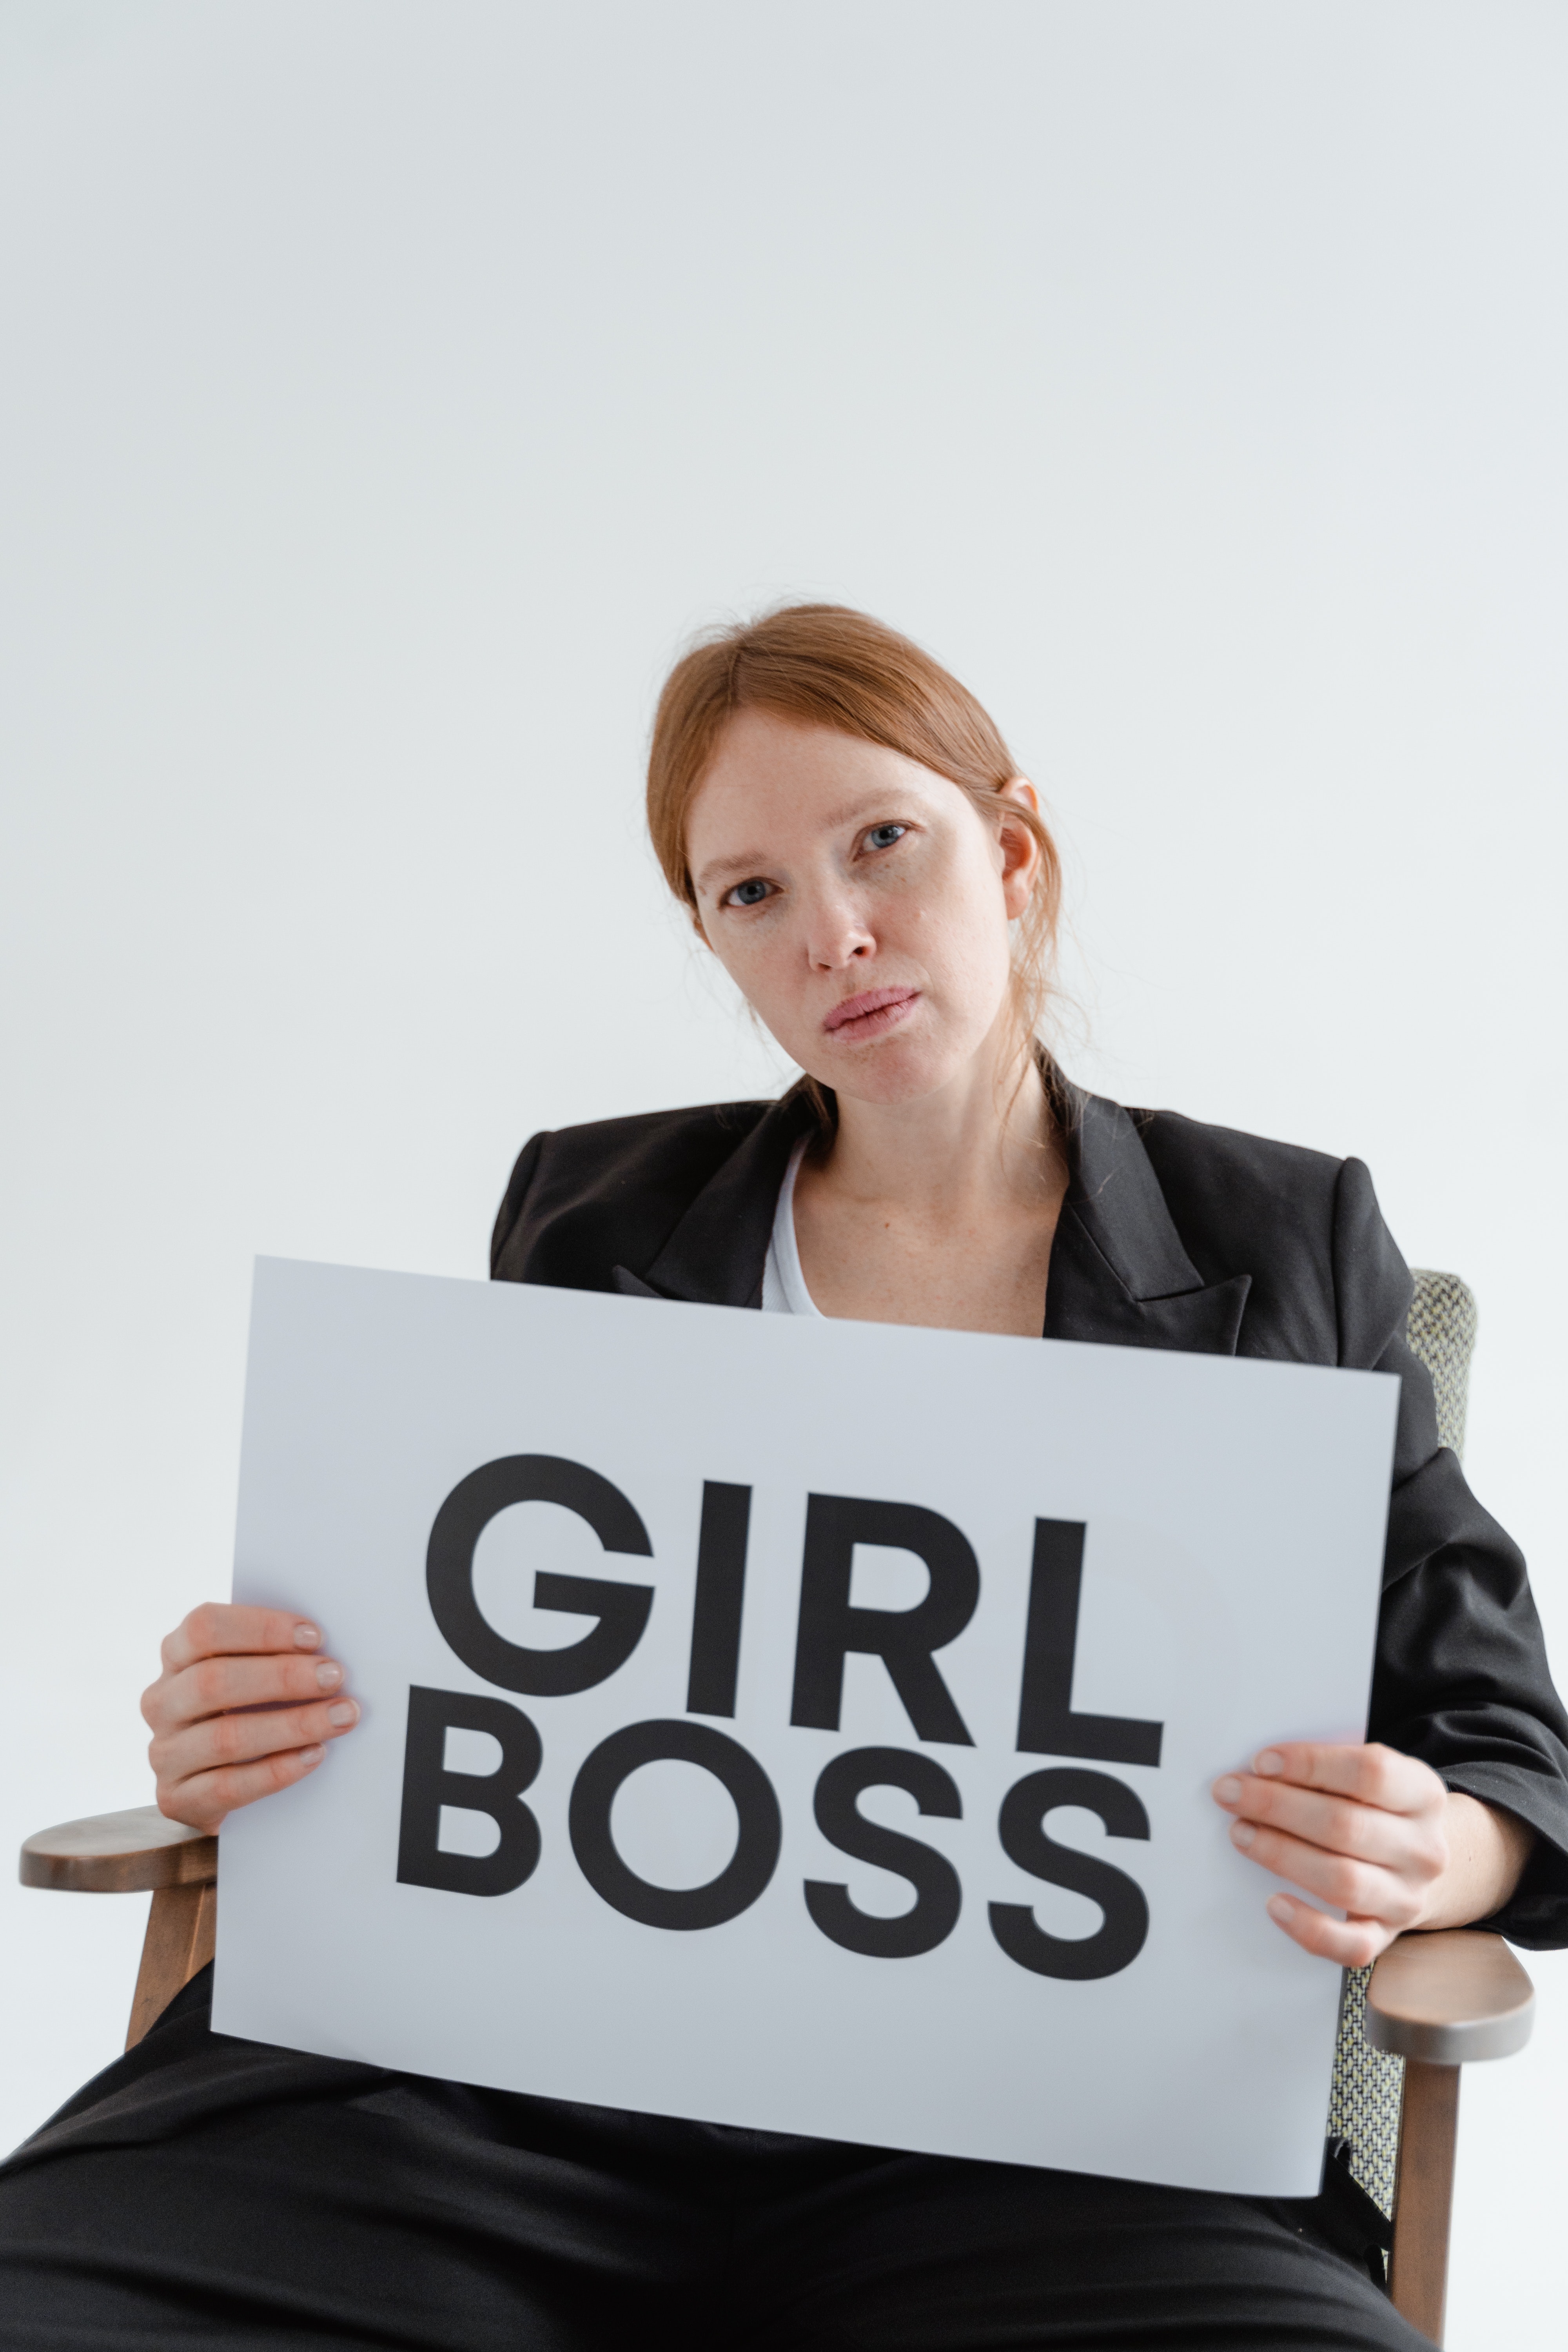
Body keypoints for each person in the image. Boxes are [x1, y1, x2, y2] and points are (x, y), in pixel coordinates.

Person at [3, 605, 1565, 2351]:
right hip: (491, 2110)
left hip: (1055, 2151)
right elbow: (502, 1681)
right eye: (749, 893)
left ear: (1014, 847)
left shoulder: (1284, 1240)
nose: (832, 933)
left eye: (881, 841)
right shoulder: (592, 1219)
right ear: (714, 939)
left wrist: (1438, 1853)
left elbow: (1503, 1742)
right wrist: (267, 1736)